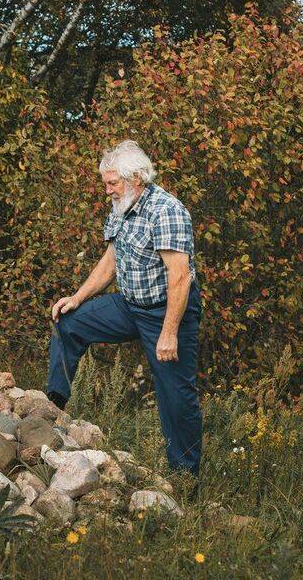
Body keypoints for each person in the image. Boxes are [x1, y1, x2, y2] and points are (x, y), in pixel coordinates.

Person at [46, 139, 203, 477]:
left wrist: (169, 333)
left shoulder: (167, 210)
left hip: (167, 311)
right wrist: (77, 297)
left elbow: (179, 278)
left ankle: (185, 478)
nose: (108, 191)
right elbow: (111, 261)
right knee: (67, 322)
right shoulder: (122, 206)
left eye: (112, 183)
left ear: (136, 178)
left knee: (176, 396)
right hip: (129, 305)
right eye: (106, 183)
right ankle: (51, 408)